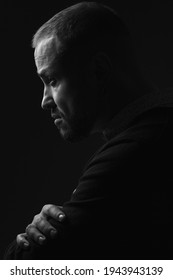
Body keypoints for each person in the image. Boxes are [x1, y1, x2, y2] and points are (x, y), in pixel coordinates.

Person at [4, 1, 173, 260]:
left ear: (99, 71)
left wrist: (26, 242)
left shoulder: (132, 152)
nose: (44, 101)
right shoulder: (158, 130)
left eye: (52, 81)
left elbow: (18, 269)